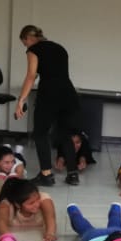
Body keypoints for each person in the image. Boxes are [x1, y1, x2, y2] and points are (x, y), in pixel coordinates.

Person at [14, 25, 82, 186]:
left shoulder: (34, 50)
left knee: (40, 133)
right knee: (65, 133)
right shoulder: (60, 48)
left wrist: (21, 100)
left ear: (28, 38)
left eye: (25, 43)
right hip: (68, 94)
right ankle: (73, 174)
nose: (26, 47)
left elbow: (31, 76)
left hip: (49, 95)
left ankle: (46, 175)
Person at [0, 177, 58, 241]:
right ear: (18, 205)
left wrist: (50, 234)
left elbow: (51, 219)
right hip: (3, 197)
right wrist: (9, 239)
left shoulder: (44, 200)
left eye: (38, 199)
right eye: (31, 203)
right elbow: (0, 224)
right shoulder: (5, 207)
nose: (37, 204)